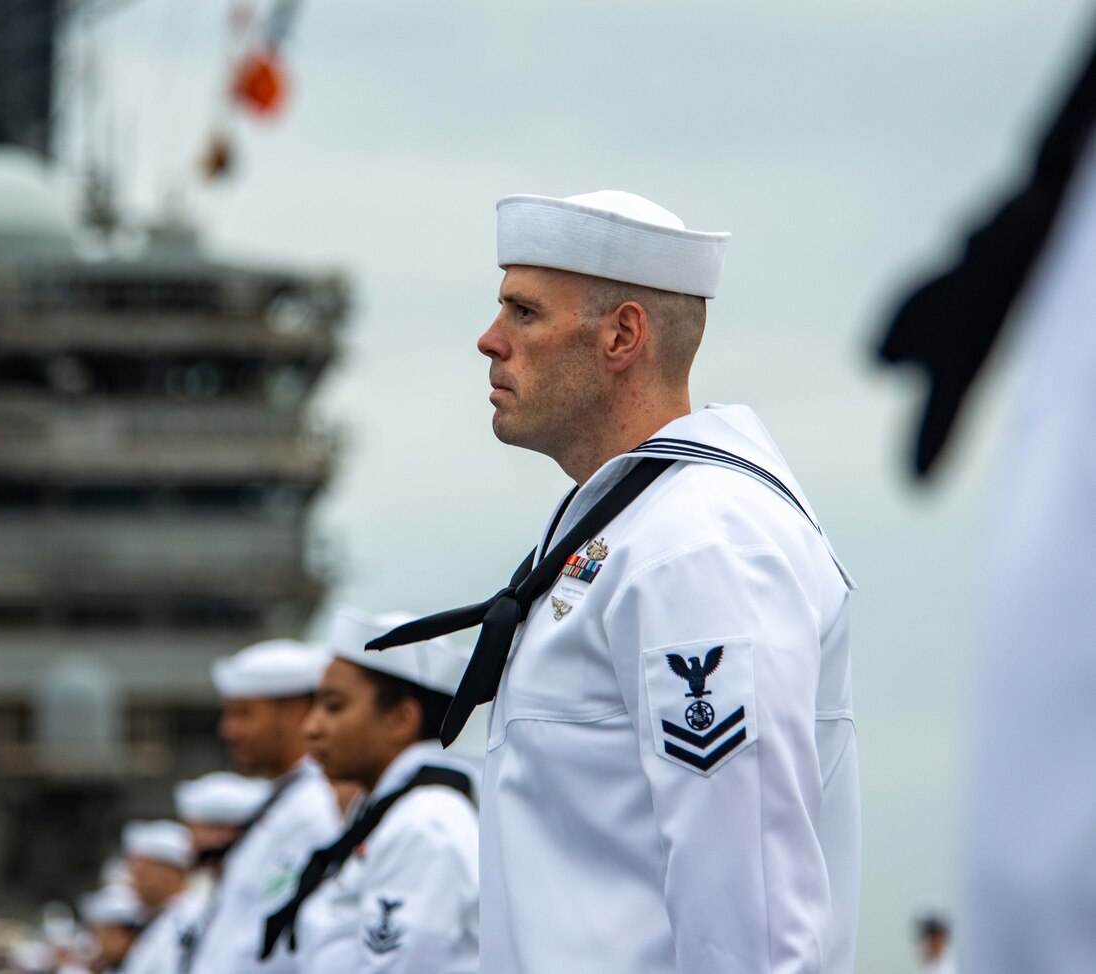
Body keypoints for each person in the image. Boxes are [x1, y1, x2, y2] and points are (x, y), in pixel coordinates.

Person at [368, 190, 860, 973]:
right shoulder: (629, 527)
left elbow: (751, 916)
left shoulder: (698, 547)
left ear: (623, 335)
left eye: (524, 314)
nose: (489, 340)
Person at [261, 606, 478, 973]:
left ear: (401, 719)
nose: (310, 728)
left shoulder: (424, 827)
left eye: (334, 706)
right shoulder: (385, 815)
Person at [187, 640, 341, 973]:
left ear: (297, 713)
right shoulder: (281, 802)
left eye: (244, 714)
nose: (227, 730)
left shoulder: (317, 807)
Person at [172, 772, 274, 972]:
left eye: (194, 831)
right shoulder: (221, 884)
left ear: (226, 832)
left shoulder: (253, 882)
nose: (188, 844)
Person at [119, 820, 198, 974]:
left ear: (169, 874)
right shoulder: (161, 920)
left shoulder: (190, 922)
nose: (133, 882)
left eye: (141, 874)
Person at [80, 884, 148, 974]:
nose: (97, 939)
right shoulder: (111, 967)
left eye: (101, 931)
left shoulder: (149, 966)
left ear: (120, 934)